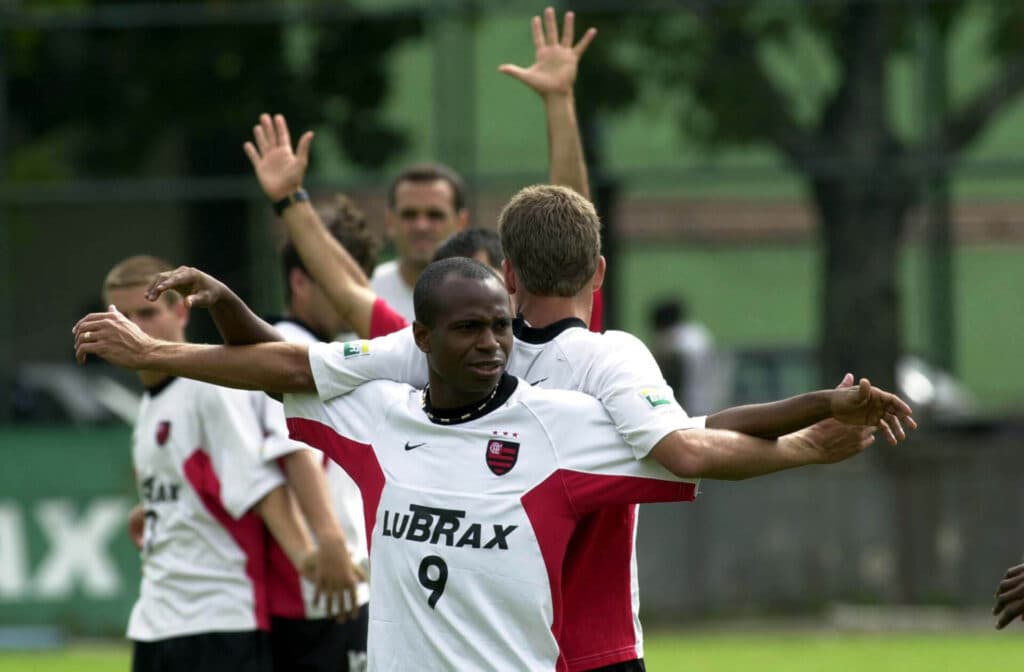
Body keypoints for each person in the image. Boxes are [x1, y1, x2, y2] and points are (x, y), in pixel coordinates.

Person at [75, 257, 878, 671]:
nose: (491, 342)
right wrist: (189, 331)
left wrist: (815, 419)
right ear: (421, 339)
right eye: (467, 329)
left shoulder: (559, 429)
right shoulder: (377, 417)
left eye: (499, 325)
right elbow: (283, 368)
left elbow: (706, 435)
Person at [98, 255, 358, 672]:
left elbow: (257, 483)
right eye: (122, 317)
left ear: (180, 310)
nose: (134, 327)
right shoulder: (151, 402)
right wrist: (152, 511)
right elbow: (200, 483)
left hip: (217, 621)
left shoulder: (208, 387)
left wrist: (307, 555)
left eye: (146, 312)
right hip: (158, 618)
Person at [650, 297, 720, 415]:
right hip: (708, 401)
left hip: (689, 405)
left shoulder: (674, 342)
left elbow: (671, 375)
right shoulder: (697, 333)